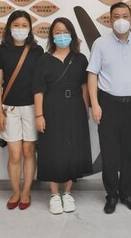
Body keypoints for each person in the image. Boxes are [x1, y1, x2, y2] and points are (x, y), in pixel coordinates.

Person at [87, 2, 131, 214]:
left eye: (125, 16)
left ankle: (127, 194)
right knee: (109, 153)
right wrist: (95, 104)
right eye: (116, 16)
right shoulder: (100, 44)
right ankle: (112, 195)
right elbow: (92, 75)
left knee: (130, 152)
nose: (121, 20)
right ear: (110, 20)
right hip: (108, 105)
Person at [33, 17, 92, 214]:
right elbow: (38, 90)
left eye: (65, 32)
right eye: (57, 32)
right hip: (51, 108)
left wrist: (86, 110)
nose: (62, 36)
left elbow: (84, 87)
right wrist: (39, 115)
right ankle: (53, 194)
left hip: (75, 107)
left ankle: (67, 193)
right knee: (52, 149)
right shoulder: (44, 59)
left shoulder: (80, 59)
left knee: (73, 149)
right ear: (52, 36)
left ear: (72, 35)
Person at [0, 10, 43, 211]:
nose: (20, 29)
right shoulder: (1, 51)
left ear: (30, 28)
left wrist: (40, 112)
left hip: (31, 108)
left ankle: (26, 192)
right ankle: (15, 191)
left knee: (28, 151)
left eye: (24, 25)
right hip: (9, 109)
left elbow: (40, 83)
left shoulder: (37, 51)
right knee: (14, 154)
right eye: (16, 25)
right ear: (9, 27)